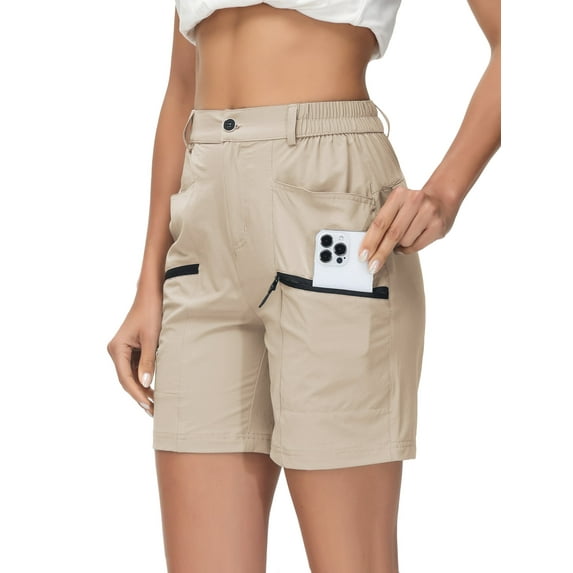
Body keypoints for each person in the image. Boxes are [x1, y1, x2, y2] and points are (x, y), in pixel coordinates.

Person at [107, 1, 500, 571]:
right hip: (201, 224)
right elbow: (182, 88)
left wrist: (446, 192)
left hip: (330, 198)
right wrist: (150, 282)